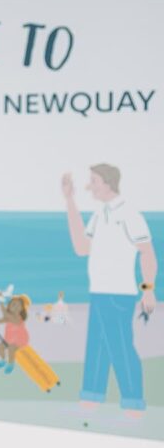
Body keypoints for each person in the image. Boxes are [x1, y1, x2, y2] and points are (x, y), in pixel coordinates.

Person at [62, 164, 156, 415]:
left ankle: (133, 402)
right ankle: (91, 397)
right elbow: (82, 248)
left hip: (119, 293)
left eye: (93, 181)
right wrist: (70, 201)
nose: (89, 186)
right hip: (99, 291)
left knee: (121, 346)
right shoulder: (98, 214)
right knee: (98, 346)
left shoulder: (130, 214)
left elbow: (147, 253)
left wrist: (148, 289)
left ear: (107, 182)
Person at [0, 295, 31, 374]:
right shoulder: (9, 317)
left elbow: (6, 315)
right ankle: (3, 360)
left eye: (17, 305)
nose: (15, 307)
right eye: (13, 304)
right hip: (9, 339)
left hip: (19, 340)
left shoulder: (18, 318)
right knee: (0, 346)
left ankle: (11, 363)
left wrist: (1, 302)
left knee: (11, 348)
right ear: (9, 306)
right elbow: (0, 320)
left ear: (22, 309)